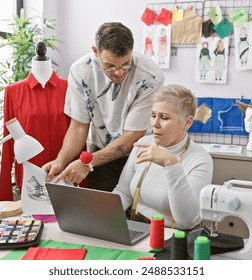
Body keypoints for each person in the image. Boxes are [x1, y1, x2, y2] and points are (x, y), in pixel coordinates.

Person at [43, 22, 165, 192]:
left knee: (139, 215)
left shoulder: (150, 76)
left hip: (140, 154)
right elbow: (78, 127)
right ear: (95, 52)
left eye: (126, 64)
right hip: (100, 155)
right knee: (103, 214)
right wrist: (60, 161)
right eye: (110, 65)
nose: (119, 72)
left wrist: (88, 162)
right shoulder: (80, 71)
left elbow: (132, 137)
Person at [112, 84, 213, 230]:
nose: (154, 124)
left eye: (164, 117)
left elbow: (188, 221)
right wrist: (101, 217)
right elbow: (124, 192)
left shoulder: (200, 159)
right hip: (135, 228)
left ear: (187, 122)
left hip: (170, 237)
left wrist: (171, 165)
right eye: (153, 115)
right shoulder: (143, 143)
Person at [0, 42, 71, 201]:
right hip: (30, 177)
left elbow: (77, 133)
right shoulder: (13, 92)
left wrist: (83, 183)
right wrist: (5, 196)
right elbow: (8, 143)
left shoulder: (69, 87)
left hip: (64, 175)